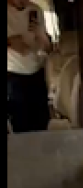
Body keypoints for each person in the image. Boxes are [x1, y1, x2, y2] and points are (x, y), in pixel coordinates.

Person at [7, 0, 52, 133]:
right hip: (13, 74)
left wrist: (41, 35)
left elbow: (48, 48)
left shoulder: (35, 9)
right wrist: (10, 42)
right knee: (20, 123)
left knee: (42, 121)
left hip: (37, 72)